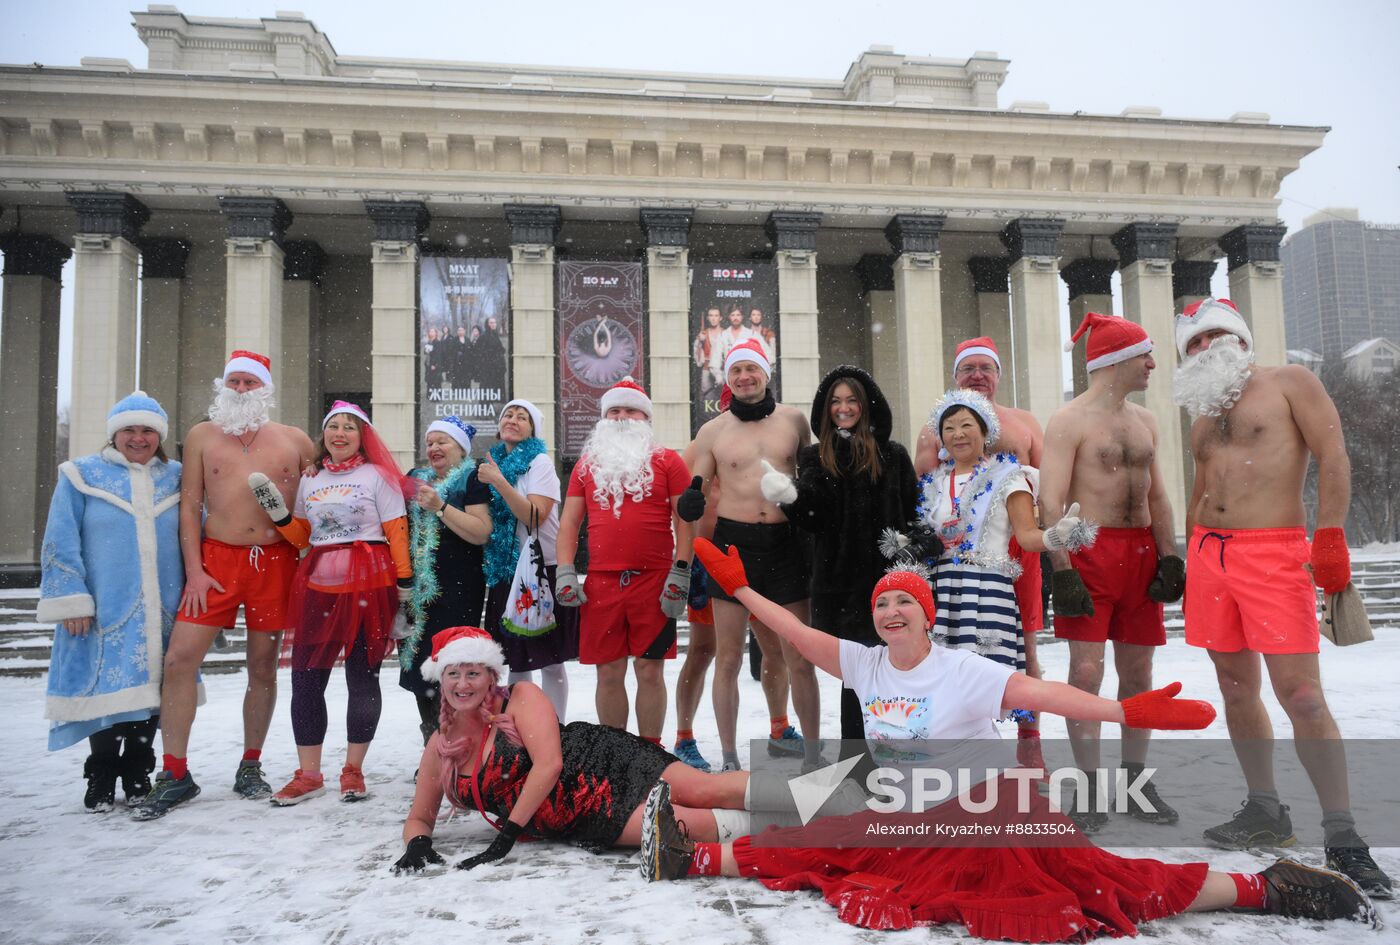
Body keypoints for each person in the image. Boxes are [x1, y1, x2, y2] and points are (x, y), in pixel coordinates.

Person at [638, 540, 1380, 939]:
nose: (890, 610)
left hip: (985, 810)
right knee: (829, 839)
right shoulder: (863, 661)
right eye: (881, 603)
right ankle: (692, 852)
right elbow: (795, 632)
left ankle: (1262, 887)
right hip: (905, 804)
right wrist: (740, 590)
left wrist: (1123, 712)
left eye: (904, 601)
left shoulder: (959, 668)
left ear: (926, 615)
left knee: (1095, 882)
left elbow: (1037, 692)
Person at [1175, 298, 1393, 898]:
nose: (1204, 348)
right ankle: (1264, 809)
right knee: (1235, 687)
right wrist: (1183, 558)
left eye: (1215, 336)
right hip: (1208, 556)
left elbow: (1334, 456)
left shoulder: (1289, 382)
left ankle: (1343, 833)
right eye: (1193, 343)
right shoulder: (1201, 410)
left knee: (1301, 694)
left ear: (1241, 338)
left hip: (1273, 552)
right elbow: (1202, 486)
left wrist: (1330, 538)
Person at [390, 625, 753, 871]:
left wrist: (507, 837)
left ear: (491, 677)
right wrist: (418, 844)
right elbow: (420, 816)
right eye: (453, 673)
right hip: (578, 814)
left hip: (601, 761)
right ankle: (795, 833)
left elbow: (549, 765)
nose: (463, 684)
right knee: (693, 825)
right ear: (441, 679)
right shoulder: (442, 745)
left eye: (474, 673)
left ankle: (807, 800)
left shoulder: (519, 696)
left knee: (705, 790)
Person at [134, 351, 316, 820]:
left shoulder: (294, 440)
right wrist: (195, 570)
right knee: (178, 660)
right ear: (222, 385)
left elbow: (330, 491)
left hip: (275, 564)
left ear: (265, 389)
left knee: (262, 667)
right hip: (216, 563)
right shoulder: (202, 436)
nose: (240, 390)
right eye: (233, 381)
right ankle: (174, 772)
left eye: (249, 383)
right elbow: (189, 506)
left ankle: (250, 765)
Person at [1039, 314, 1182, 832]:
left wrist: (1169, 555)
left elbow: (1159, 495)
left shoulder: (1145, 420)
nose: (1151, 364)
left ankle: (1135, 783)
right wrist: (1062, 570)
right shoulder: (1069, 420)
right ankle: (1091, 785)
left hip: (1141, 553)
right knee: (1085, 673)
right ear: (1115, 361)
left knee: (1140, 676)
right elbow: (1049, 499)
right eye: (1144, 355)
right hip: (1090, 551)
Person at [248, 402, 413, 805]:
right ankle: (308, 774)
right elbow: (304, 538)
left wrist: (404, 586)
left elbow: (396, 532)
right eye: (333, 427)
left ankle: (353, 770)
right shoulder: (312, 478)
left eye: (350, 428)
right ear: (324, 435)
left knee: (362, 677)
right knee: (305, 678)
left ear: (363, 436)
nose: (340, 433)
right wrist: (281, 515)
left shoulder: (378, 476)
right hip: (319, 585)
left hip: (369, 586)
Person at [757, 365, 918, 753]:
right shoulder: (816, 456)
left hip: (890, 582)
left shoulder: (893, 455)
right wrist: (790, 494)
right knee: (856, 678)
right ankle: (856, 757)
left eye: (851, 400)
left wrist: (913, 548)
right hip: (839, 586)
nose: (843, 408)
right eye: (835, 402)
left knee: (898, 671)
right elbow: (816, 516)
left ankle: (898, 748)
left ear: (866, 405)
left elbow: (914, 512)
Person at [38, 392, 183, 811]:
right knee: (107, 687)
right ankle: (101, 771)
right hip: (103, 606)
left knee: (155, 689)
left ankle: (139, 768)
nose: (139, 438)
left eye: (148, 431)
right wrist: (71, 599)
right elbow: (60, 540)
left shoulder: (177, 477)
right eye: (129, 430)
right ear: (114, 435)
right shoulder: (80, 475)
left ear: (159, 436)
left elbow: (198, 534)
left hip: (166, 604)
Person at [683, 339, 820, 773]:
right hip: (732, 548)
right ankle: (728, 757)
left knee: (797, 653)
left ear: (766, 373)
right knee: (728, 655)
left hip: (785, 544)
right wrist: (689, 499)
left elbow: (814, 476)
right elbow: (695, 484)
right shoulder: (713, 431)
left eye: (752, 369)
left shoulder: (794, 421)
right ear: (728, 379)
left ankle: (812, 755)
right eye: (736, 370)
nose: (744, 377)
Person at [915, 337, 1049, 772]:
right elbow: (919, 491)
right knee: (948, 647)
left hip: (1015, 545)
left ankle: (1029, 745)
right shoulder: (933, 428)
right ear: (955, 377)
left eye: (985, 368)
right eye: (967, 368)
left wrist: (1061, 555)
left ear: (998, 375)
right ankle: (952, 743)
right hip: (955, 557)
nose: (976, 374)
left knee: (1026, 648)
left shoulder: (1024, 422)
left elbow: (1049, 489)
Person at [556, 378, 693, 742]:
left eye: (630, 410)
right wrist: (565, 571)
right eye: (614, 410)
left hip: (655, 579)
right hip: (601, 583)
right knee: (609, 672)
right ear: (603, 418)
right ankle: (616, 751)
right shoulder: (586, 465)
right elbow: (569, 521)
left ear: (645, 417)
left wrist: (681, 572)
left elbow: (686, 519)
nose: (621, 417)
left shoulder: (668, 460)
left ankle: (650, 752)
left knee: (650, 670)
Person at [478, 399, 579, 721]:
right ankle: (520, 731)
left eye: (523, 417)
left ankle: (556, 729)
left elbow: (535, 515)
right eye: (509, 414)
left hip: (540, 570)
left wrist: (499, 482)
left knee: (550, 658)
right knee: (515, 658)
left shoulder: (539, 463)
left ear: (533, 429)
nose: (513, 419)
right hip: (507, 571)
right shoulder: (494, 463)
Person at [399, 416, 493, 742]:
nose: (434, 447)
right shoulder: (414, 478)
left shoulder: (472, 477)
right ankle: (433, 745)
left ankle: (460, 742)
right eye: (430, 442)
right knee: (418, 671)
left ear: (461, 448)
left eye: (443, 441)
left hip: (458, 589)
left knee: (454, 669)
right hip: (416, 592)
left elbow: (481, 532)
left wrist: (440, 507)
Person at [692, 305, 725, 398]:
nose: (713, 318)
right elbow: (698, 360)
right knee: (707, 397)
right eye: (711, 316)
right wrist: (699, 341)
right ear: (708, 318)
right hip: (707, 370)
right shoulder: (704, 334)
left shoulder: (726, 333)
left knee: (724, 397)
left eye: (716, 316)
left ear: (720, 318)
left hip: (722, 370)